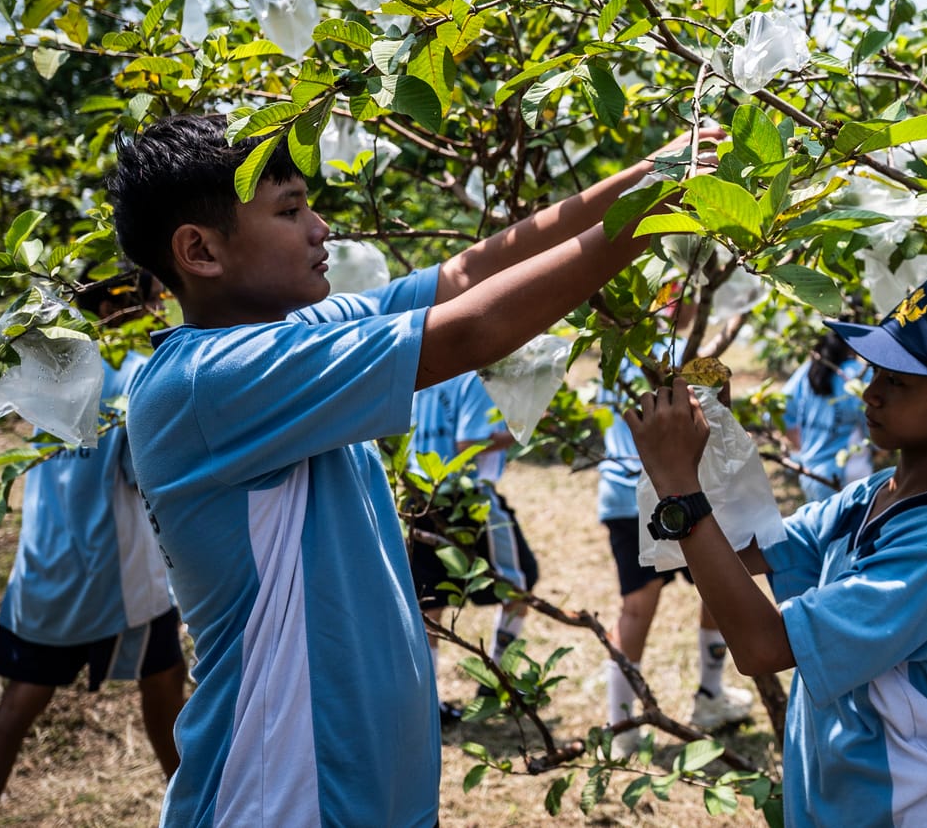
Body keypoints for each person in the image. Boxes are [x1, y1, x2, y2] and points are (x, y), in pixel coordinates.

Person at [110, 113, 716, 828]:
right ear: (201, 250)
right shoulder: (206, 383)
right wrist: (663, 210)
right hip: (281, 797)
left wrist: (658, 169)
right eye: (291, 210)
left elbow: (462, 277)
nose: (322, 229)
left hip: (365, 787)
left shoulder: (287, 335)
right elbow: (471, 328)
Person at [627, 275, 927, 828]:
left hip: (900, 809)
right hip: (843, 800)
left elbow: (763, 648)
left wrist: (680, 489)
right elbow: (739, 551)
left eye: (898, 381)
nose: (871, 393)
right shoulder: (872, 496)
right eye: (875, 372)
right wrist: (712, 447)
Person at [0, 277, 183, 828]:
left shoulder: (54, 369)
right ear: (111, 304)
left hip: (45, 572)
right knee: (165, 692)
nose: (157, 306)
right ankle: (197, 809)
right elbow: (149, 479)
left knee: (17, 708)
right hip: (117, 577)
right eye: (149, 297)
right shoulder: (134, 376)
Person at [596, 302, 754, 734]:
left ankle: (621, 725)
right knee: (718, 590)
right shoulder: (681, 354)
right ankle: (709, 694)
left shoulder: (614, 353)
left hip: (621, 491)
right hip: (678, 492)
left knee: (635, 608)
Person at [404, 369, 541, 724]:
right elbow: (469, 443)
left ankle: (426, 706)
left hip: (420, 497)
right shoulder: (471, 377)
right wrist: (520, 430)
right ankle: (497, 683)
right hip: (467, 500)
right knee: (519, 584)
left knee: (428, 602)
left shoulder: (422, 373)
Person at [781, 333, 872, 506]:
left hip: (809, 472)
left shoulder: (808, 370)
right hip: (849, 475)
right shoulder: (858, 374)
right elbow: (873, 421)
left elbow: (780, 410)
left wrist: (803, 445)